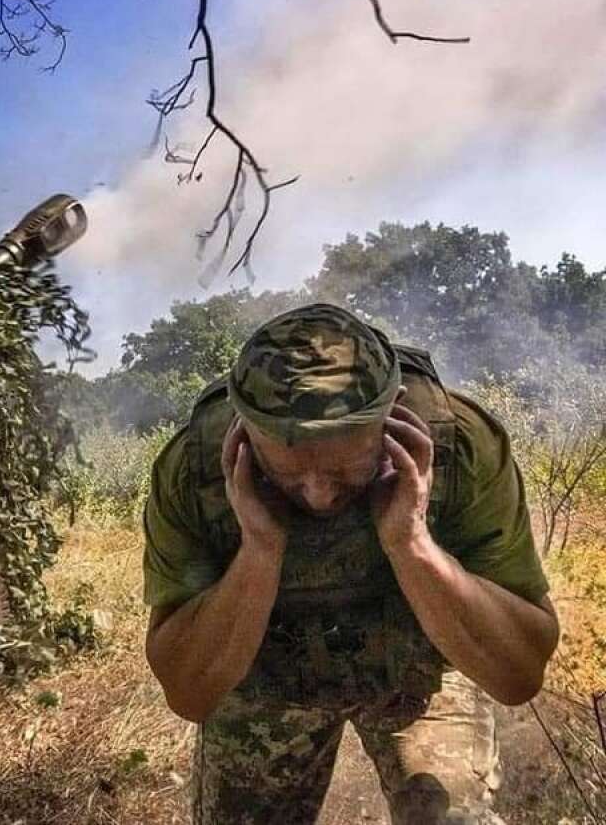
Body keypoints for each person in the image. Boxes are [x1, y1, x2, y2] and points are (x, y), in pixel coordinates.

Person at [142, 303, 559, 825]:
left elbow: (519, 674)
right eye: (290, 473)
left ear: (393, 417)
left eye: (344, 468)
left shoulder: (460, 443)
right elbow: (189, 691)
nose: (319, 494)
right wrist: (260, 551)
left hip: (416, 668)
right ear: (243, 434)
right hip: (265, 676)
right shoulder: (194, 470)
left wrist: (411, 542)